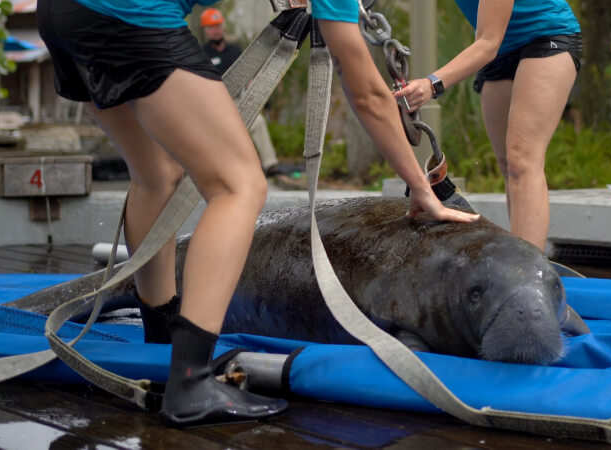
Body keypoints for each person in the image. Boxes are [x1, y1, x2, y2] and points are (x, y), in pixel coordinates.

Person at [37, 0, 479, 429]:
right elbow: (366, 94)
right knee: (238, 184)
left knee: (156, 175)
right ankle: (190, 380)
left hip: (63, 14)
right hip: (130, 13)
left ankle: (162, 349)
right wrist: (422, 189)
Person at [394, 0, 582, 253]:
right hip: (499, 49)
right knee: (508, 166)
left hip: (545, 36)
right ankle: (520, 256)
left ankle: (527, 269)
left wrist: (432, 84)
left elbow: (487, 43)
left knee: (522, 161)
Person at [199, 7, 298, 178]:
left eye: (218, 26)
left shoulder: (235, 51)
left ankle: (270, 164)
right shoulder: (202, 54)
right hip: (213, 106)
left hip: (237, 101)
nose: (215, 30)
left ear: (222, 26)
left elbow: (249, 74)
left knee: (257, 122)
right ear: (206, 30)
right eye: (211, 27)